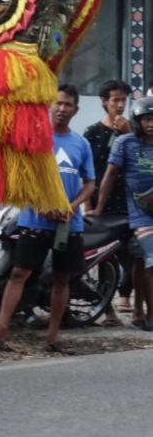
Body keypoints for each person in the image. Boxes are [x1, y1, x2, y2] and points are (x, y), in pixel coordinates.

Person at [0, 85, 95, 354]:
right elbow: (21, 177)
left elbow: (90, 183)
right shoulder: (34, 139)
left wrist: (72, 206)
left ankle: (52, 337)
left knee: (62, 278)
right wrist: (42, 205)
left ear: (75, 110)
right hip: (35, 219)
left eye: (68, 105)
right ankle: (0, 329)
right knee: (19, 272)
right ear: (49, 106)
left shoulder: (81, 143)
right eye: (58, 103)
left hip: (69, 223)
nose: (62, 109)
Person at [91, 95, 153, 331]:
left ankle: (143, 313)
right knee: (151, 261)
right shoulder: (125, 143)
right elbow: (110, 174)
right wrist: (97, 206)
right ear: (137, 121)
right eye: (145, 119)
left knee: (143, 263)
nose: (150, 123)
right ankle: (150, 315)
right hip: (141, 214)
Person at [83, 78, 137, 322]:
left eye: (123, 100)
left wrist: (128, 133)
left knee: (135, 259)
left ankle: (139, 309)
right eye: (115, 100)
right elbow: (89, 172)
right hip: (100, 206)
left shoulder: (135, 130)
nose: (120, 105)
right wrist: (89, 205)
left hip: (128, 204)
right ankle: (109, 312)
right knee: (104, 260)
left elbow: (141, 161)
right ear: (104, 102)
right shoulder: (92, 132)